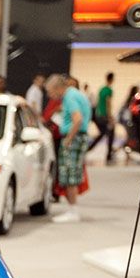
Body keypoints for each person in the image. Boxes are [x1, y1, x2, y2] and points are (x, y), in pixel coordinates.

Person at [46, 73, 92, 222]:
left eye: (50, 91)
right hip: (79, 137)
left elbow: (77, 119)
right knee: (72, 172)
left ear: (57, 87)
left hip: (74, 139)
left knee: (69, 173)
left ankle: (73, 211)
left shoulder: (69, 97)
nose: (50, 96)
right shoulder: (75, 94)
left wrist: (69, 139)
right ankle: (73, 210)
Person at [87, 71, 116, 164]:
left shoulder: (101, 89)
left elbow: (98, 102)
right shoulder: (109, 90)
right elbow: (108, 103)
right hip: (104, 115)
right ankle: (109, 155)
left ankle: (89, 148)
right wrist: (110, 117)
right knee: (110, 133)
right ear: (111, 79)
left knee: (103, 133)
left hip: (98, 114)